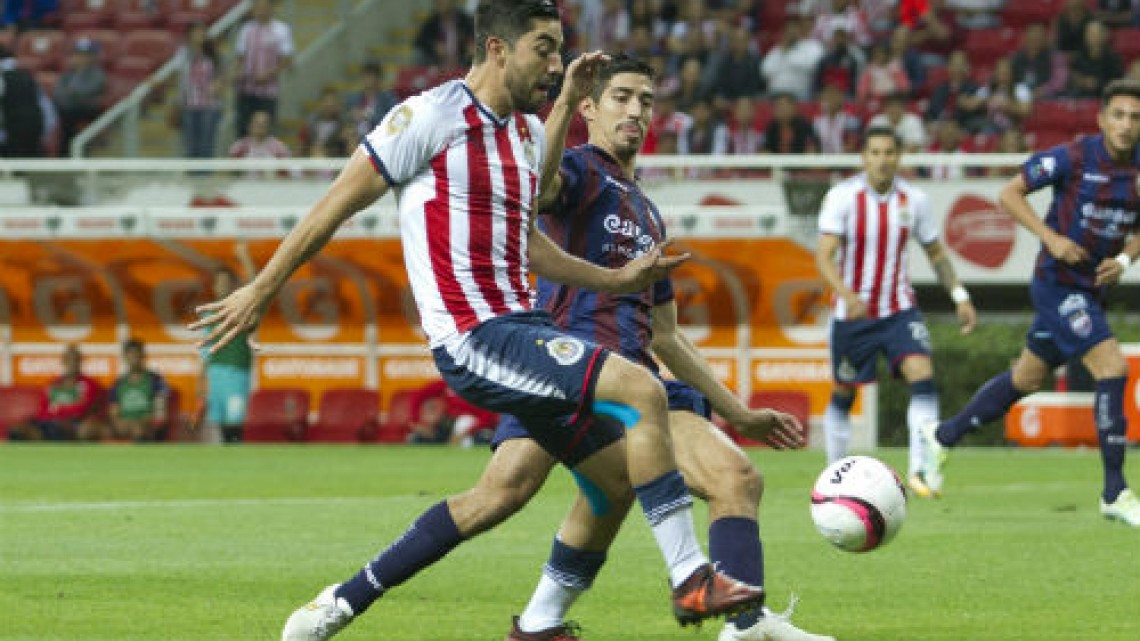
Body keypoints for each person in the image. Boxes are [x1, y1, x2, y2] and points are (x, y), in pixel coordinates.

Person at [189, 3, 765, 639]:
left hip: (524, 328)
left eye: (559, 50)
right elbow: (335, 204)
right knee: (639, 390)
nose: (554, 64)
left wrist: (616, 280)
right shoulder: (428, 117)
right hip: (472, 334)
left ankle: (343, 605)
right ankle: (690, 579)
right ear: (498, 48)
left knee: (598, 483)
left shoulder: (521, 136)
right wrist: (262, 289)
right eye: (544, 49)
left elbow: (529, 243)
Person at [499, 53, 827, 641]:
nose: (636, 110)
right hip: (581, 370)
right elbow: (539, 188)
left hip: (640, 379)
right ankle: (347, 600)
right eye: (622, 97)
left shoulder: (646, 211)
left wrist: (738, 411)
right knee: (501, 494)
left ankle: (543, 625)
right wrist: (564, 103)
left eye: (646, 100)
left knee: (716, 481)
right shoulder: (577, 170)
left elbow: (668, 334)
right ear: (592, 109)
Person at [919, 79, 1140, 527]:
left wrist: (1124, 258)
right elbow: (1008, 193)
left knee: (1027, 377)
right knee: (1112, 367)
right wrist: (1051, 238)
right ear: (1102, 119)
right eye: (1118, 115)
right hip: (1056, 285)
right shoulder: (1075, 156)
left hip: (1091, 291)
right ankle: (1115, 492)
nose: (1126, 125)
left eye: (1135, 117)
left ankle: (943, 435)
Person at [815, 125, 977, 500]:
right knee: (843, 393)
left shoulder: (914, 200)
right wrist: (846, 294)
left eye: (889, 152)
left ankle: (922, 472)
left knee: (921, 373)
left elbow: (935, 252)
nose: (883, 160)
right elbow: (824, 255)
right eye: (875, 152)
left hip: (899, 309)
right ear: (864, 157)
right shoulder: (842, 197)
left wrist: (959, 295)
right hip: (853, 315)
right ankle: (831, 477)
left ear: (899, 156)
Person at [197, 241, 257, 443]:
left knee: (234, 425)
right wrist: (201, 380)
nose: (221, 286)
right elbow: (205, 350)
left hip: (236, 373)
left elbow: (256, 284)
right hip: (216, 376)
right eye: (218, 282)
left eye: (225, 282)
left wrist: (244, 256)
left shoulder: (242, 308)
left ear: (233, 285)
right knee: (218, 426)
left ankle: (237, 464)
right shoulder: (209, 314)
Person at [7, 344, 104, 441]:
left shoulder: (89, 384)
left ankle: (41, 440)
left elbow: (81, 409)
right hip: (47, 422)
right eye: (68, 360)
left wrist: (57, 411)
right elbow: (42, 410)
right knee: (17, 429)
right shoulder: (53, 385)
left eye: (75, 360)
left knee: (57, 430)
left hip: (72, 424)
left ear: (80, 362)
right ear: (63, 361)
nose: (72, 363)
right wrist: (53, 415)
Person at [233, 0, 294, 137]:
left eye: (264, 7)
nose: (261, 10)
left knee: (267, 128)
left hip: (268, 91)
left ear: (272, 8)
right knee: (243, 128)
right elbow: (240, 57)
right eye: (258, 7)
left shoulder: (281, 30)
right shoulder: (246, 29)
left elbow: (287, 61)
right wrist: (237, 73)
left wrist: (268, 73)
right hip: (245, 89)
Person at [103, 339, 170, 442]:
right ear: (125, 357)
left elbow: (160, 411)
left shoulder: (156, 380)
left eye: (137, 355)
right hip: (123, 424)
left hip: (146, 424)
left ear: (143, 356)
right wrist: (119, 423)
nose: (134, 358)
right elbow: (113, 411)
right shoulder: (118, 383)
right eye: (131, 355)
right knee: (93, 429)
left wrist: (146, 422)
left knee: (138, 429)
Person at [176, 21, 224, 159]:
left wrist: (219, 84)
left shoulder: (213, 53)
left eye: (202, 32)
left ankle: (205, 177)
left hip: (210, 105)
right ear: (189, 35)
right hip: (189, 105)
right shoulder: (183, 53)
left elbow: (223, 74)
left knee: (206, 144)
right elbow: (180, 78)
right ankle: (192, 177)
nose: (199, 36)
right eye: (195, 33)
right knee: (190, 145)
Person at [53, 37, 105, 156]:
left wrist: (70, 95)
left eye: (84, 55)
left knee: (67, 118)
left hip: (86, 109)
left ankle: (67, 155)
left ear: (92, 57)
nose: (80, 58)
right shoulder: (67, 74)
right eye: (78, 54)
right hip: (66, 108)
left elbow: (86, 92)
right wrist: (70, 95)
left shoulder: (97, 74)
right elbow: (58, 93)